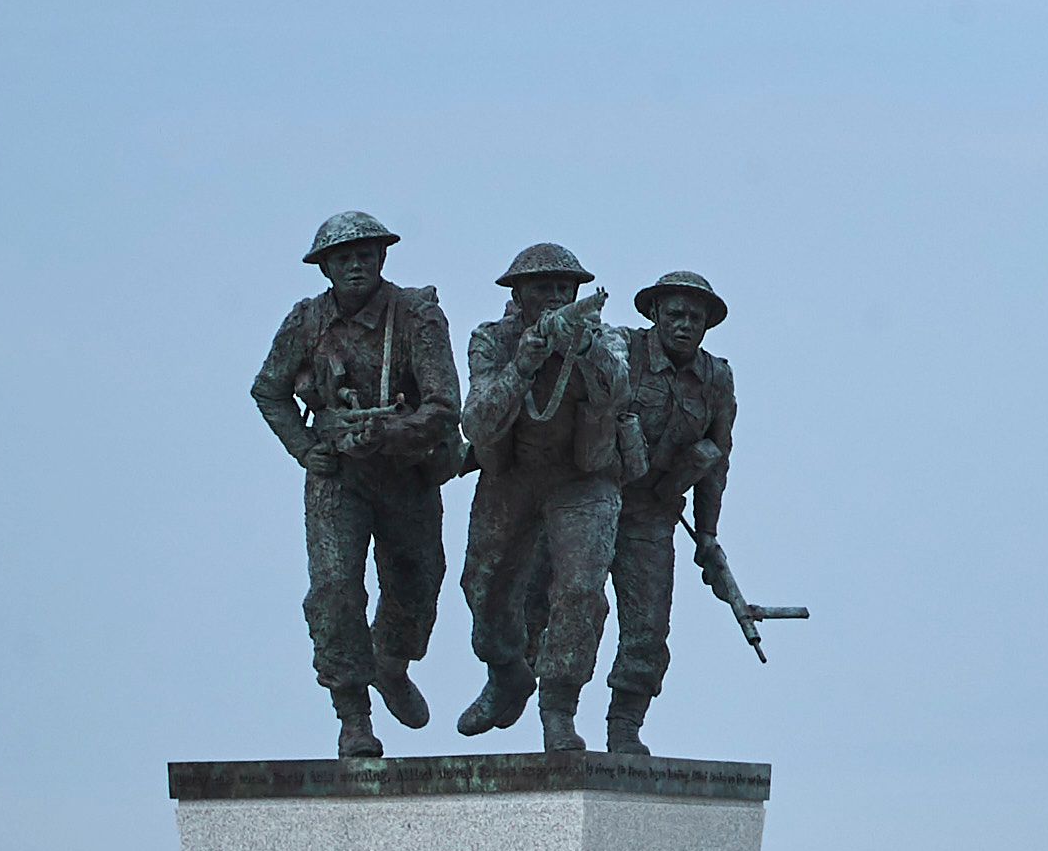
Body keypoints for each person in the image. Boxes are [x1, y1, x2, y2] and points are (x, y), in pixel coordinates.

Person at [245, 210, 462, 762]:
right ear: (325, 268)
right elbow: (268, 390)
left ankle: (391, 659)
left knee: (417, 581)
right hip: (339, 478)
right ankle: (352, 716)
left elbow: (444, 407)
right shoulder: (306, 322)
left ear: (383, 258)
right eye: (343, 257)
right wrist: (306, 448)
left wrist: (389, 430)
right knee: (334, 589)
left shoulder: (417, 316)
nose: (356, 265)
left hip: (406, 474)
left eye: (366, 254)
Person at [452, 242, 636, 755]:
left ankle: (559, 706)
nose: (556, 296)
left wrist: (585, 350)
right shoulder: (491, 340)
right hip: (512, 477)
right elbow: (476, 421)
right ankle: (507, 671)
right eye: (543, 288)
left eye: (564, 287)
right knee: (483, 585)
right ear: (518, 295)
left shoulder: (608, 337)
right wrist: (523, 367)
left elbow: (619, 391)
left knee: (580, 591)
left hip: (584, 478)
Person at [601, 271, 741, 759]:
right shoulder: (621, 350)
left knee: (648, 626)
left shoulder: (716, 378)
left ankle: (624, 726)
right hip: (594, 500)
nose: (684, 325)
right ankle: (559, 715)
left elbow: (716, 460)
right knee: (568, 609)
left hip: (652, 516)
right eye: (675, 314)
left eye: (695, 318)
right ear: (655, 314)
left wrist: (707, 535)